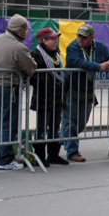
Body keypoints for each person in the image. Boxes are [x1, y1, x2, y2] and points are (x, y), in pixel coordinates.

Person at [0, 14, 36, 170]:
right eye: (26, 30)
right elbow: (30, 67)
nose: (27, 33)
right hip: (7, 88)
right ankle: (5, 160)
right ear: (20, 31)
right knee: (8, 123)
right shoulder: (18, 47)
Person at [62, 24, 109, 162]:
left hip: (89, 91)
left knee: (81, 123)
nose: (80, 39)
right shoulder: (72, 47)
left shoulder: (100, 47)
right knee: (70, 122)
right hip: (72, 90)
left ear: (92, 37)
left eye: (84, 37)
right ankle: (72, 151)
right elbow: (78, 62)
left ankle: (62, 137)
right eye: (79, 36)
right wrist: (98, 66)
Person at [29, 27, 68, 167]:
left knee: (54, 126)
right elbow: (31, 74)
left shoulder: (55, 54)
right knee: (41, 126)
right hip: (43, 96)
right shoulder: (35, 54)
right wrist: (42, 82)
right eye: (52, 39)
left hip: (57, 96)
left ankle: (53, 154)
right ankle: (40, 156)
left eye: (55, 38)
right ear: (43, 40)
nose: (55, 41)